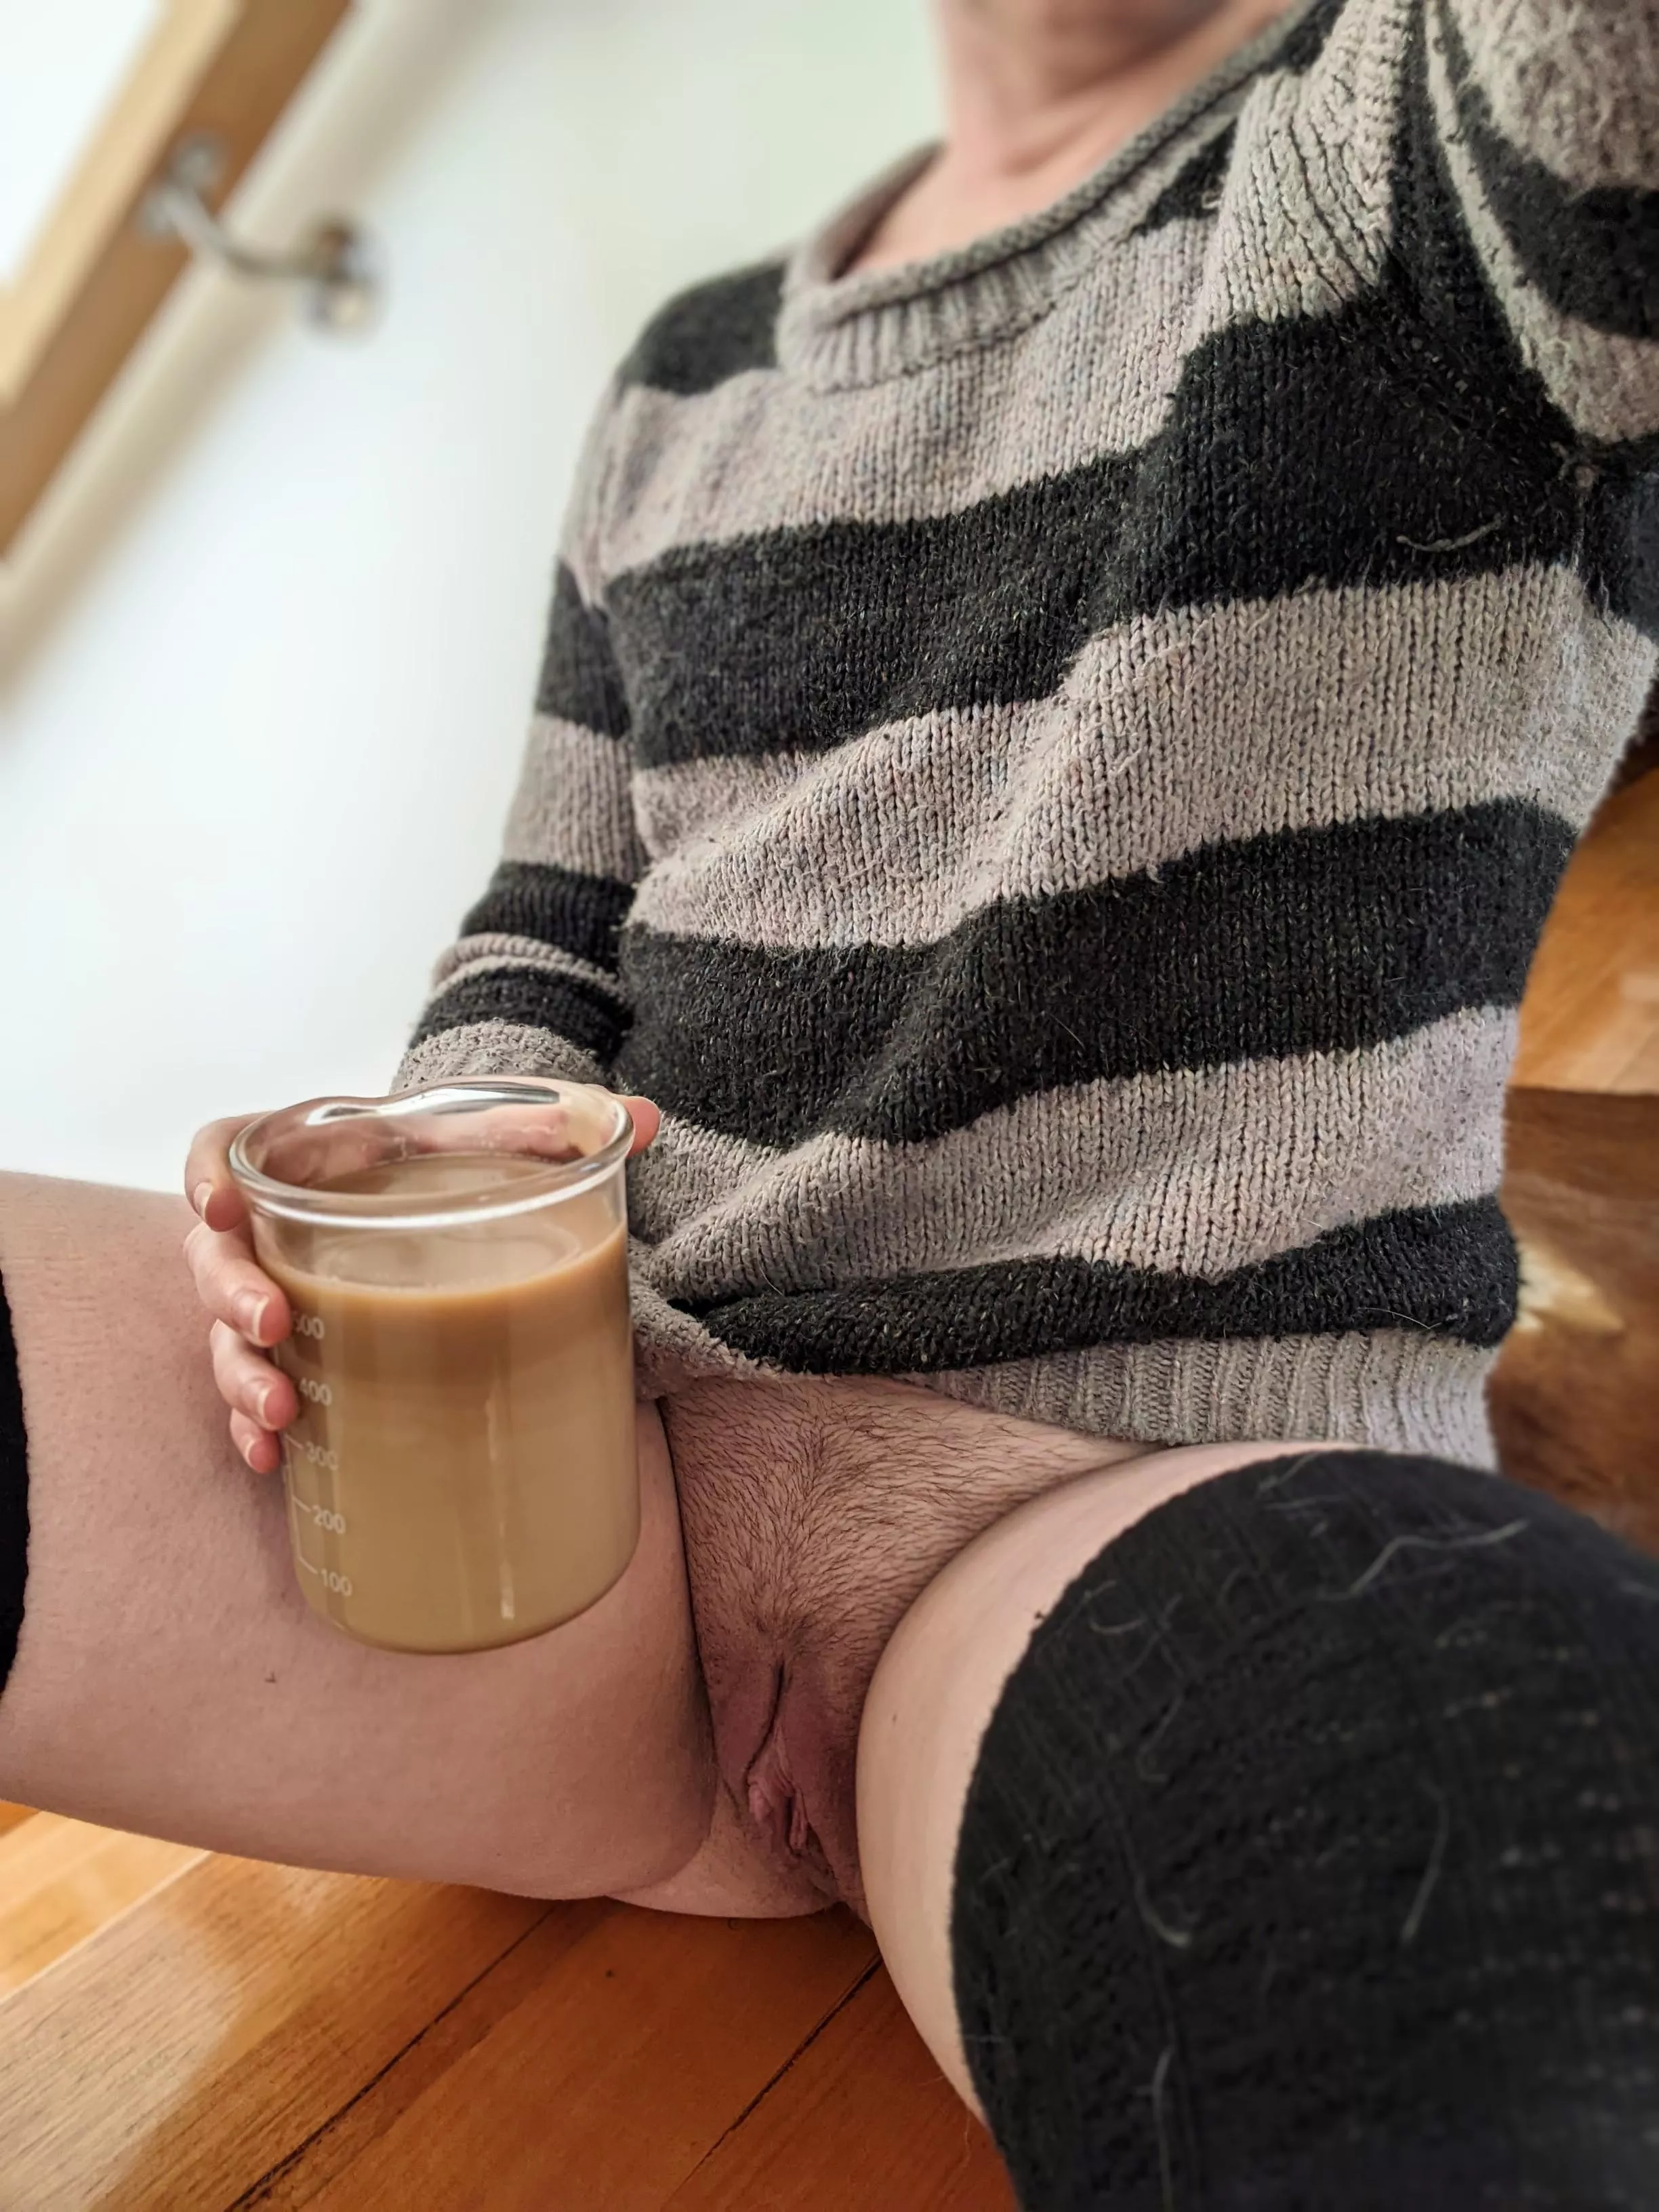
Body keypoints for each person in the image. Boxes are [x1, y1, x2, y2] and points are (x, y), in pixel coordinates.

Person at [3, 0, 1658, 2198]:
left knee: (1468, 1838)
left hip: (1117, 1525)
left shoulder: (1415, 146)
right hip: (578, 1482)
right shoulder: (683, 378)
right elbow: (545, 926)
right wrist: (436, 1159)